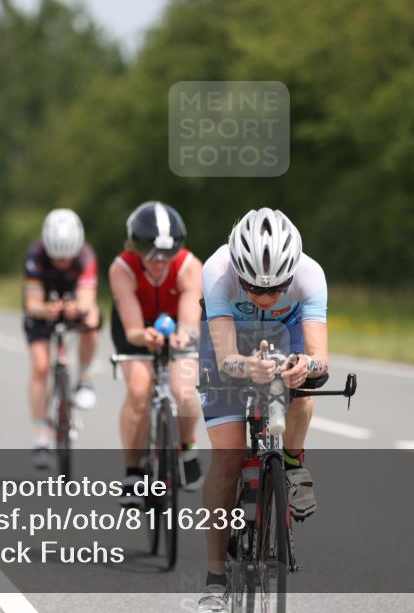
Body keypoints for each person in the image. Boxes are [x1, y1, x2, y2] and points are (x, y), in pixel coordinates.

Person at [197, 208, 329, 613]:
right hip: (230, 346)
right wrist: (245, 367)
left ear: (293, 274)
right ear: (239, 271)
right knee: (228, 458)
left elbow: (321, 358)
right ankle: (216, 577)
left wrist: (307, 366)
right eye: (254, 289)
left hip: (284, 337)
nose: (267, 297)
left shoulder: (310, 274)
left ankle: (291, 461)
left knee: (302, 390)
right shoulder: (218, 271)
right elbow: (225, 360)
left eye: (277, 289)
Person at [109, 201, 204, 506]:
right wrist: (141, 336)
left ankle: (187, 447)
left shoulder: (190, 266)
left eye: (167, 255)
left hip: (177, 326)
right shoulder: (121, 268)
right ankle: (133, 471)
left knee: (184, 392)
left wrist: (183, 336)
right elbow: (133, 327)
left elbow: (191, 320)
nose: (159, 263)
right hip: (135, 326)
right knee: (139, 390)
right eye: (151, 255)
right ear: (134, 246)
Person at [24, 209, 102, 469]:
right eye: (56, 258)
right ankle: (40, 436)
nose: (61, 263)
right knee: (41, 367)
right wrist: (46, 310)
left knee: (92, 321)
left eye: (66, 258)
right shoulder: (35, 255)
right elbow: (32, 303)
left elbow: (87, 299)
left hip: (72, 301)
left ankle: (85, 380)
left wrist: (76, 310)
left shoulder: (87, 256)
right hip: (42, 309)